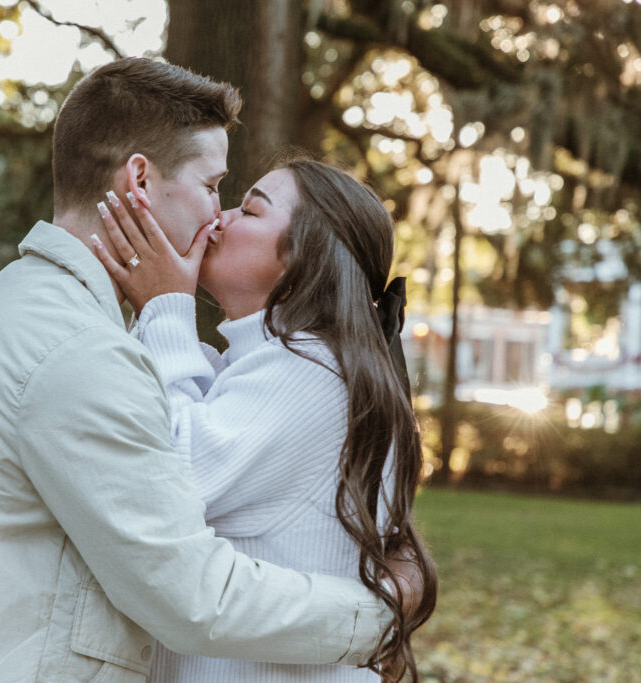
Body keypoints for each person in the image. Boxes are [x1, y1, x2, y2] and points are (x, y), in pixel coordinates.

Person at [0, 59, 416, 683]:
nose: (216, 216)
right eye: (212, 185)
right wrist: (381, 615)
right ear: (139, 179)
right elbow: (187, 587)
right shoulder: (76, 349)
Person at [92, 156, 438, 682]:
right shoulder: (264, 366)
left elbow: (165, 478)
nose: (219, 217)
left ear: (305, 259)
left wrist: (165, 306)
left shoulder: (312, 368)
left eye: (249, 210)